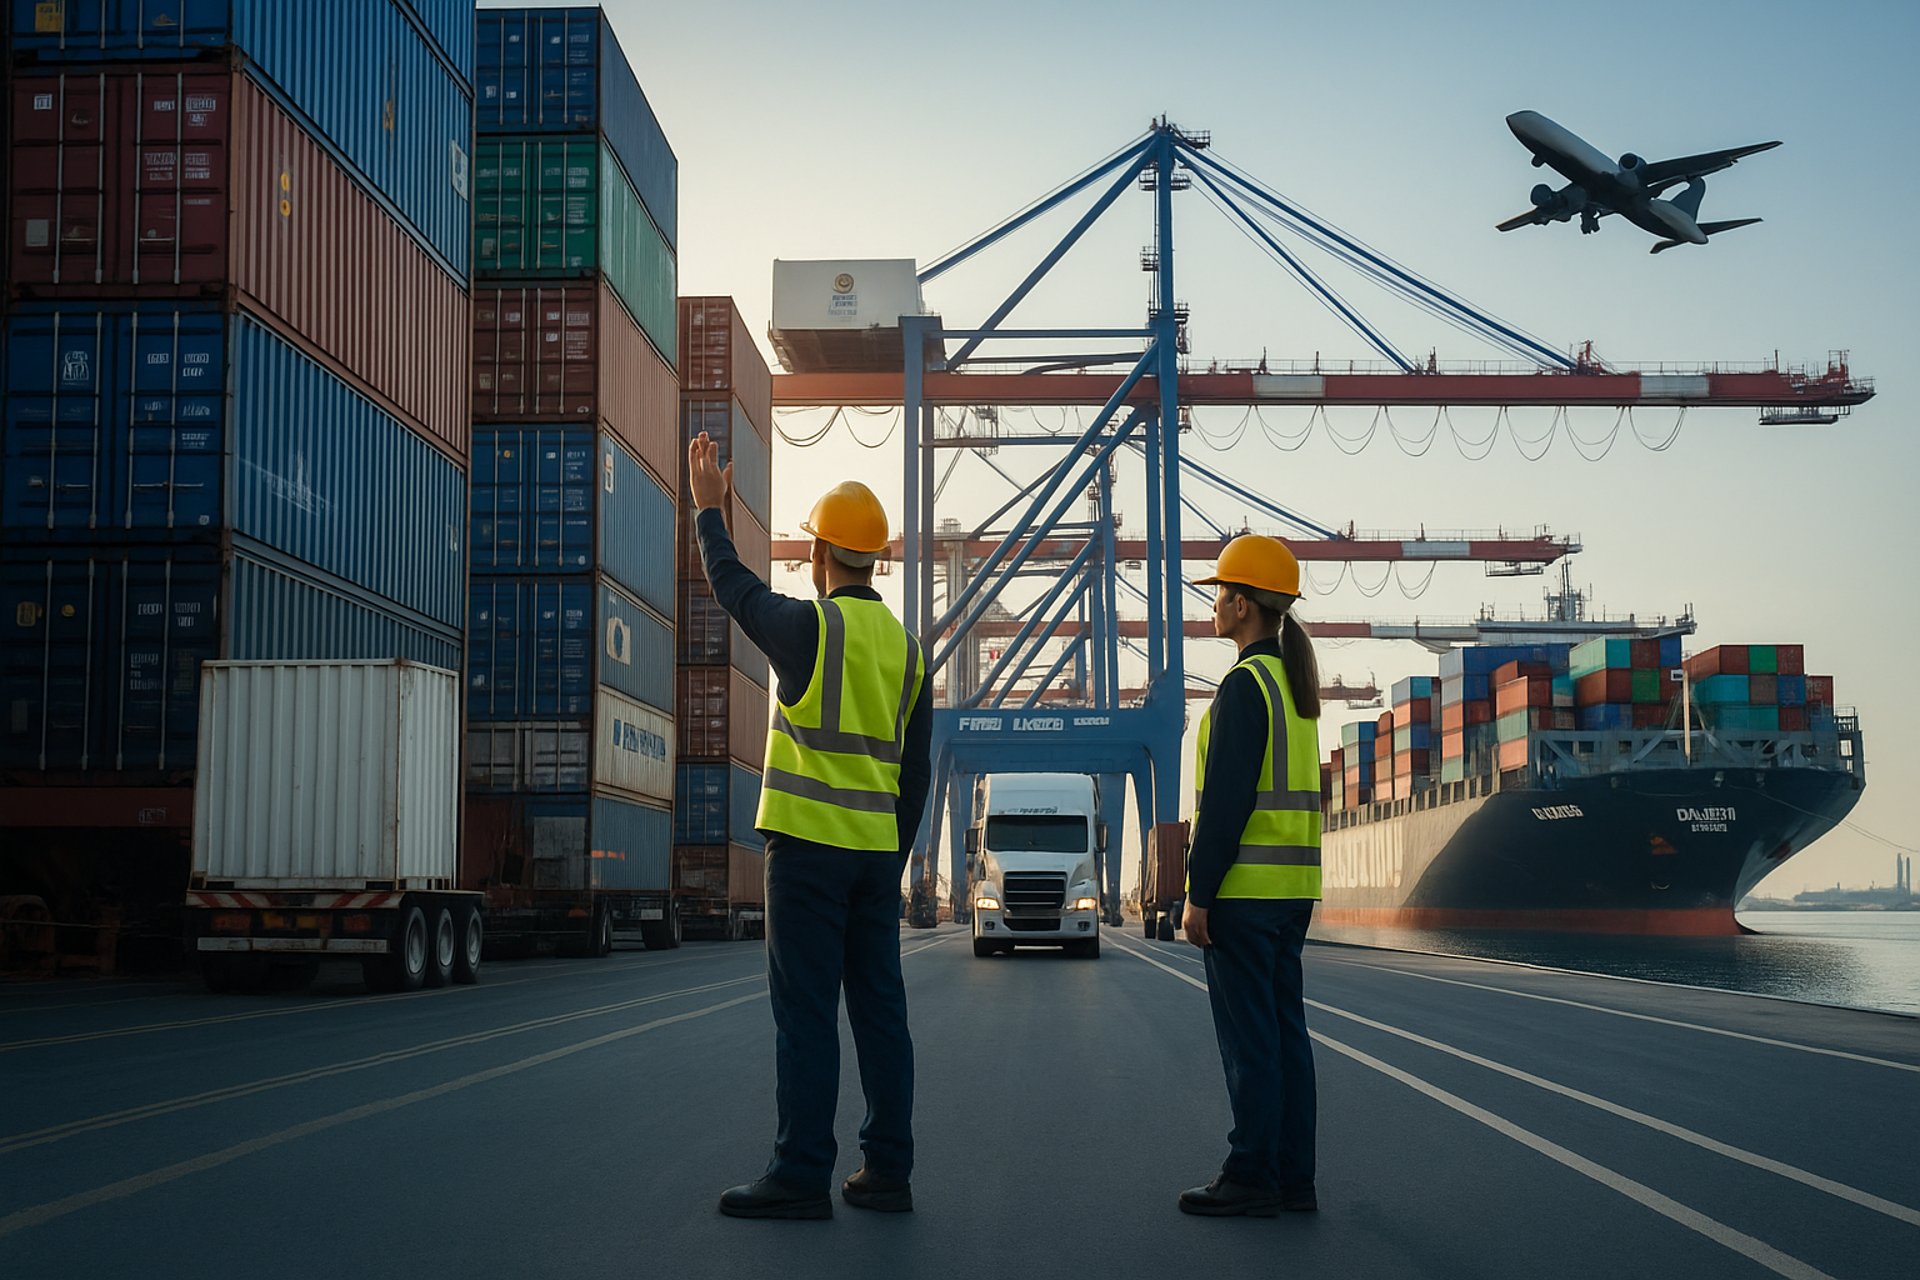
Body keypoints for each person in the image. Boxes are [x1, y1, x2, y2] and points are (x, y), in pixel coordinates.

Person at [686, 434, 932, 1221]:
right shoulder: (909, 653)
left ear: (823, 553)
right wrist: (891, 858)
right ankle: (887, 1171)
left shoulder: (809, 628)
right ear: (877, 562)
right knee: (880, 1014)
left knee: (806, 1015)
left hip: (805, 859)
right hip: (871, 860)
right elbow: (915, 775)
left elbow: (732, 588)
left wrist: (709, 511)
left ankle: (800, 1173)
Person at [1178, 533, 1324, 1217]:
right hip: (1293, 894)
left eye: (1219, 594)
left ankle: (1251, 1175)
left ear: (1242, 605)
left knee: (1250, 1045)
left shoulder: (1244, 685)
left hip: (1243, 894)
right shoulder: (1295, 689)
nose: (1213, 604)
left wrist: (1196, 896)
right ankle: (1295, 1178)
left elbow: (1227, 804)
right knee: (1287, 1038)